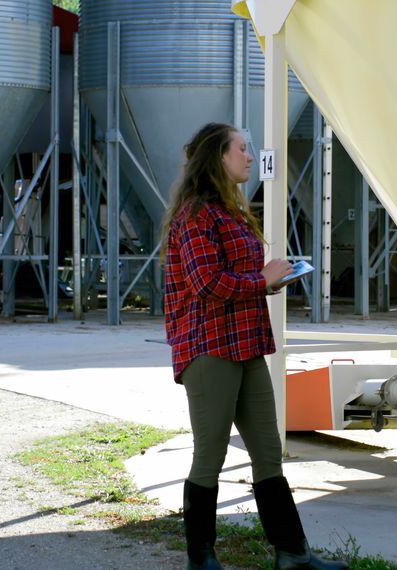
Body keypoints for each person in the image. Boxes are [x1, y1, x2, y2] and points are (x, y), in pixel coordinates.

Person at [162, 122, 349, 570]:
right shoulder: (196, 214)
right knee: (211, 453)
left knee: (268, 451)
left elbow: (235, 278)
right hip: (209, 347)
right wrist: (261, 279)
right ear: (218, 157)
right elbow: (206, 284)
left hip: (246, 343)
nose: (250, 156)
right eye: (242, 149)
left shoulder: (230, 210)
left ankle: (293, 554)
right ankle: (201, 560)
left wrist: (269, 281)